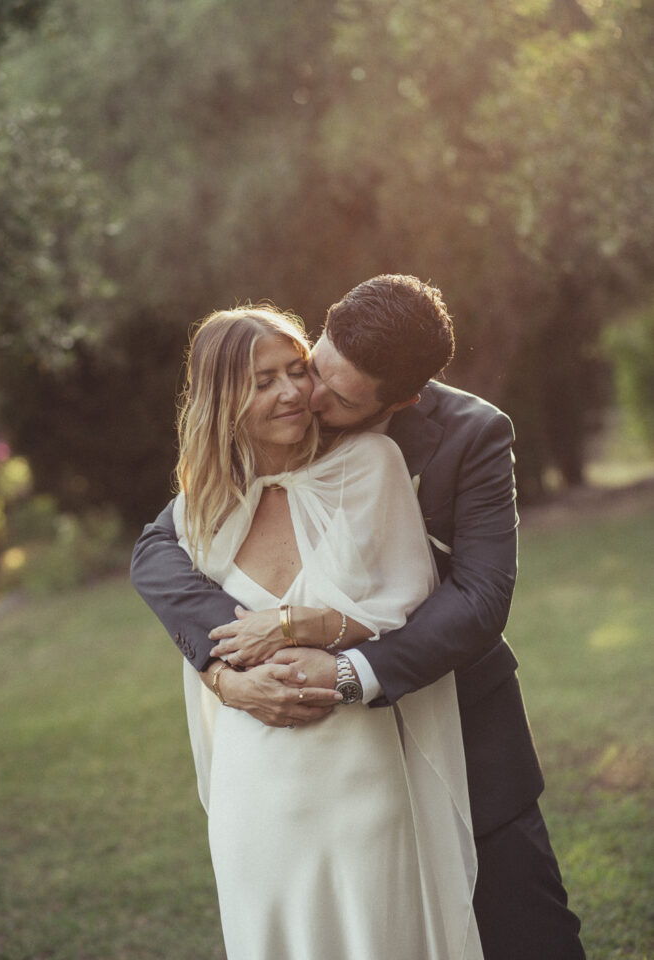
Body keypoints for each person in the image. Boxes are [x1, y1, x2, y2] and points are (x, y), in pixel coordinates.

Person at [131, 275, 585, 960]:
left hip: (459, 726)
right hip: (305, 774)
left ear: (399, 399)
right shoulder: (264, 449)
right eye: (314, 367)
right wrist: (227, 668)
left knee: (527, 934)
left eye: (336, 396)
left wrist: (345, 669)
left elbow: (478, 600)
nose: (306, 395)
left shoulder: (471, 435)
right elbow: (157, 550)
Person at [161, 303, 482, 960]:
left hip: (356, 765)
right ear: (222, 399)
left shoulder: (370, 464)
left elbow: (407, 603)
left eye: (295, 370)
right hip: (251, 779)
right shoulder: (198, 509)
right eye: (261, 380)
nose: (290, 393)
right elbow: (194, 628)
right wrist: (224, 681)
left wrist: (305, 624)